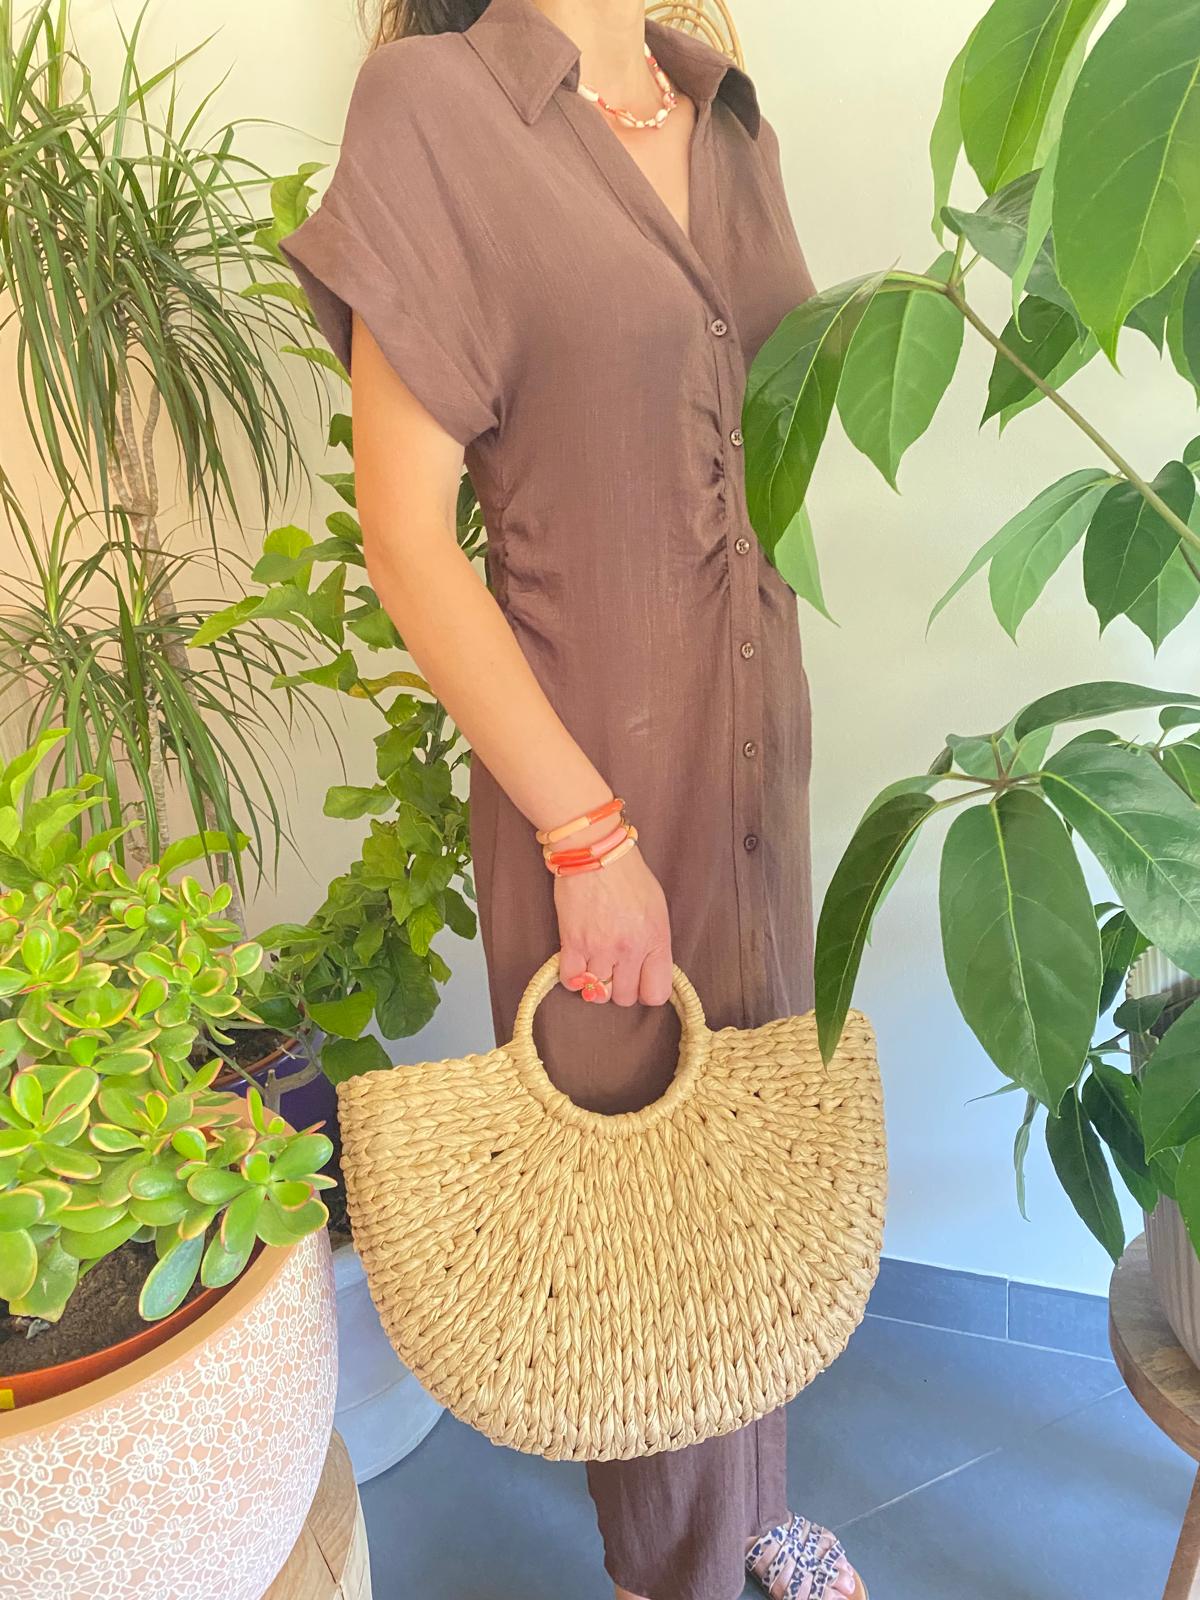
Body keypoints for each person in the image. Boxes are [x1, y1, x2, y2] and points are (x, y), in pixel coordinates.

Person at [281, 1, 865, 1596]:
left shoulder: (725, 114)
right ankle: (676, 1572)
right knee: (633, 1182)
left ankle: (751, 1520)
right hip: (591, 781)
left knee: (741, 1145)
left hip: (754, 746)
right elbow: (408, 536)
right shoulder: (433, 109)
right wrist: (587, 834)